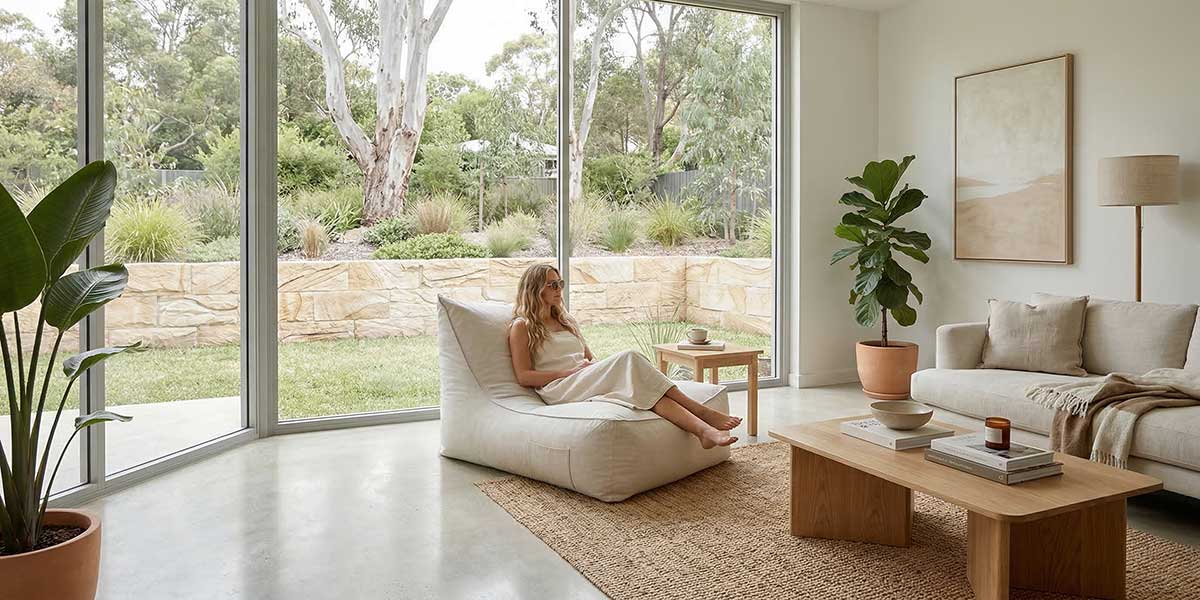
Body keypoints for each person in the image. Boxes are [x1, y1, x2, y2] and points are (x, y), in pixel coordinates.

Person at [507, 263, 740, 449]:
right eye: (552, 285)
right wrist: (567, 372)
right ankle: (701, 411)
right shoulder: (522, 326)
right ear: (535, 289)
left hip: (585, 378)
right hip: (560, 387)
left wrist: (594, 369)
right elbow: (524, 376)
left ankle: (704, 432)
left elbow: (590, 358)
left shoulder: (567, 321)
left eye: (560, 283)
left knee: (649, 394)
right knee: (630, 356)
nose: (559, 290)